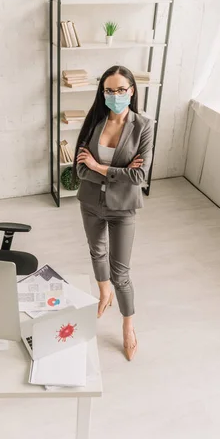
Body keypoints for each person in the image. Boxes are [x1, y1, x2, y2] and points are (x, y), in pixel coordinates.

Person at [73, 65, 154, 361]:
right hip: (91, 202)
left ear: (131, 91)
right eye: (110, 90)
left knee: (121, 272)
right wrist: (114, 172)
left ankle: (128, 324)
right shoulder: (95, 120)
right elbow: (80, 168)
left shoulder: (143, 125)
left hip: (123, 208)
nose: (116, 95)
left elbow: (139, 177)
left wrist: (99, 167)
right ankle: (102, 292)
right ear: (103, 92)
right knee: (96, 252)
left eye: (121, 89)